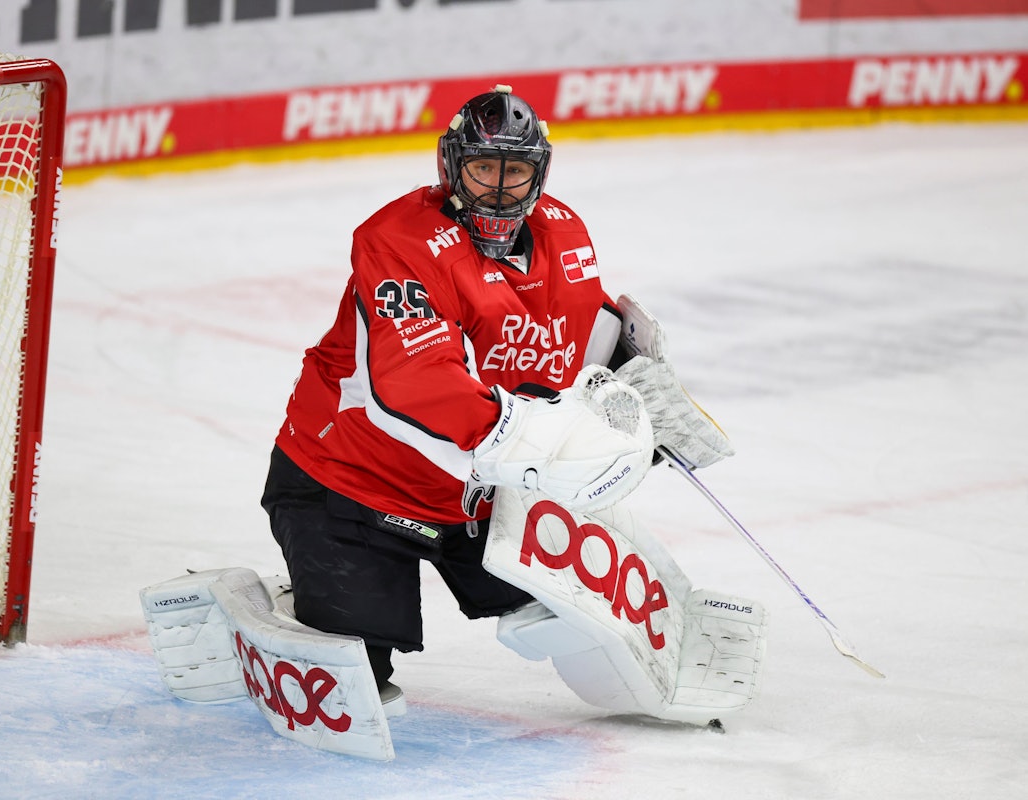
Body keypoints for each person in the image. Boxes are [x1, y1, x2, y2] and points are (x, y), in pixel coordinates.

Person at [260, 85, 732, 708]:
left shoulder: (563, 231)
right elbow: (414, 380)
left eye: (517, 171)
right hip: (352, 482)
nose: (500, 188)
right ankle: (303, 603)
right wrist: (540, 444)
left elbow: (572, 330)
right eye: (484, 169)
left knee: (570, 617)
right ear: (451, 166)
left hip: (477, 493)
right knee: (358, 682)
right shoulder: (398, 241)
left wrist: (632, 376)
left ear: (540, 173)